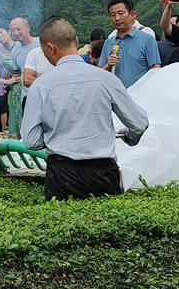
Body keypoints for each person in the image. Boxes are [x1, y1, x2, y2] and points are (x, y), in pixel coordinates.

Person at [22, 16, 149, 200]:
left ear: (50, 48)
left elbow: (32, 141)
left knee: (62, 225)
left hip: (61, 174)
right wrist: (129, 137)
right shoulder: (106, 79)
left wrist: (56, 135)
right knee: (106, 226)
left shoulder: (40, 85)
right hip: (103, 173)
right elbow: (139, 123)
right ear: (76, 42)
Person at [100, 0, 161, 88]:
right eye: (113, 15)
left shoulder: (147, 39)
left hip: (140, 96)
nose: (117, 18)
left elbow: (155, 71)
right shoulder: (108, 43)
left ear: (133, 14)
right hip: (115, 97)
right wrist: (108, 65)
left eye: (121, 13)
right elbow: (100, 74)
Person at [6, 17, 38, 137]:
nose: (15, 32)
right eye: (12, 30)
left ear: (28, 28)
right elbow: (17, 73)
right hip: (27, 97)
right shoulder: (15, 51)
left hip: (45, 93)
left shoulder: (41, 43)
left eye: (18, 29)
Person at [0, 26, 21, 132]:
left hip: (30, 86)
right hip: (15, 90)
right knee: (15, 123)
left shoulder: (20, 45)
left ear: (8, 32)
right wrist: (6, 81)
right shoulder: (1, 54)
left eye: (1, 32)